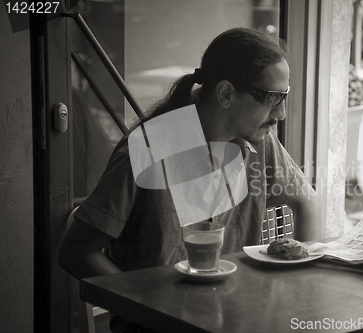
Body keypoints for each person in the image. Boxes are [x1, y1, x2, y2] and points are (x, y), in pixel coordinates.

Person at [58, 27, 322, 332]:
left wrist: (302, 292)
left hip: (237, 319)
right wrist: (149, 308)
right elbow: (75, 252)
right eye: (271, 98)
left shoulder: (261, 143)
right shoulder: (146, 152)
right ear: (226, 94)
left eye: (284, 97)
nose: (282, 113)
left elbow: (307, 201)